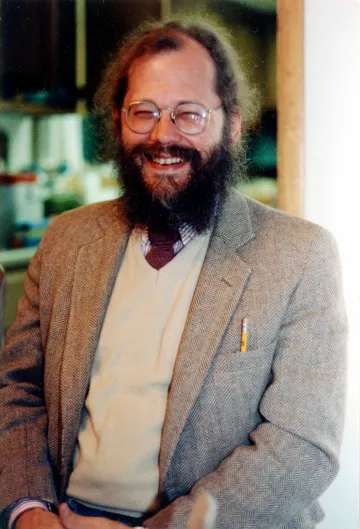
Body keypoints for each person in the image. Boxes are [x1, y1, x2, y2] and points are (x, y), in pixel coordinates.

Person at [0, 18, 347, 529]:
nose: (163, 135)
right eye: (144, 112)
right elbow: (16, 388)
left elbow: (302, 446)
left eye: (189, 114)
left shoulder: (300, 256)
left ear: (231, 124)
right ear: (119, 121)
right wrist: (29, 512)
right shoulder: (65, 240)